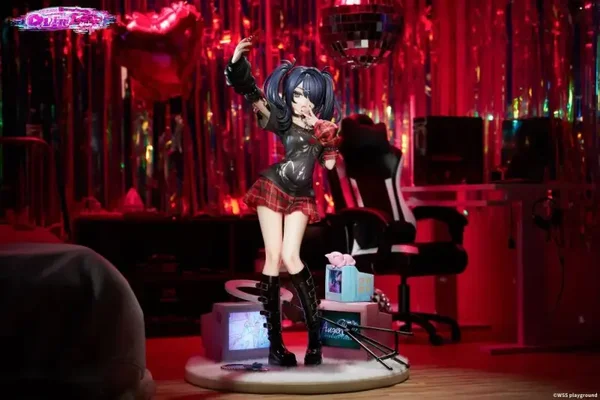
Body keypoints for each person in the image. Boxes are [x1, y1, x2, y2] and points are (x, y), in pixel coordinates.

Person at [224, 35, 341, 367]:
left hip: (301, 195)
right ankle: (275, 346)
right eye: (296, 94)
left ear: (317, 99)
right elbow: (254, 95)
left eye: (305, 95)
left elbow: (329, 165)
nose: (299, 100)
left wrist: (321, 130)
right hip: (273, 187)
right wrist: (237, 64)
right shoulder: (283, 120)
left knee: (292, 256)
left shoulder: (324, 128)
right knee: (273, 257)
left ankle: (315, 338)